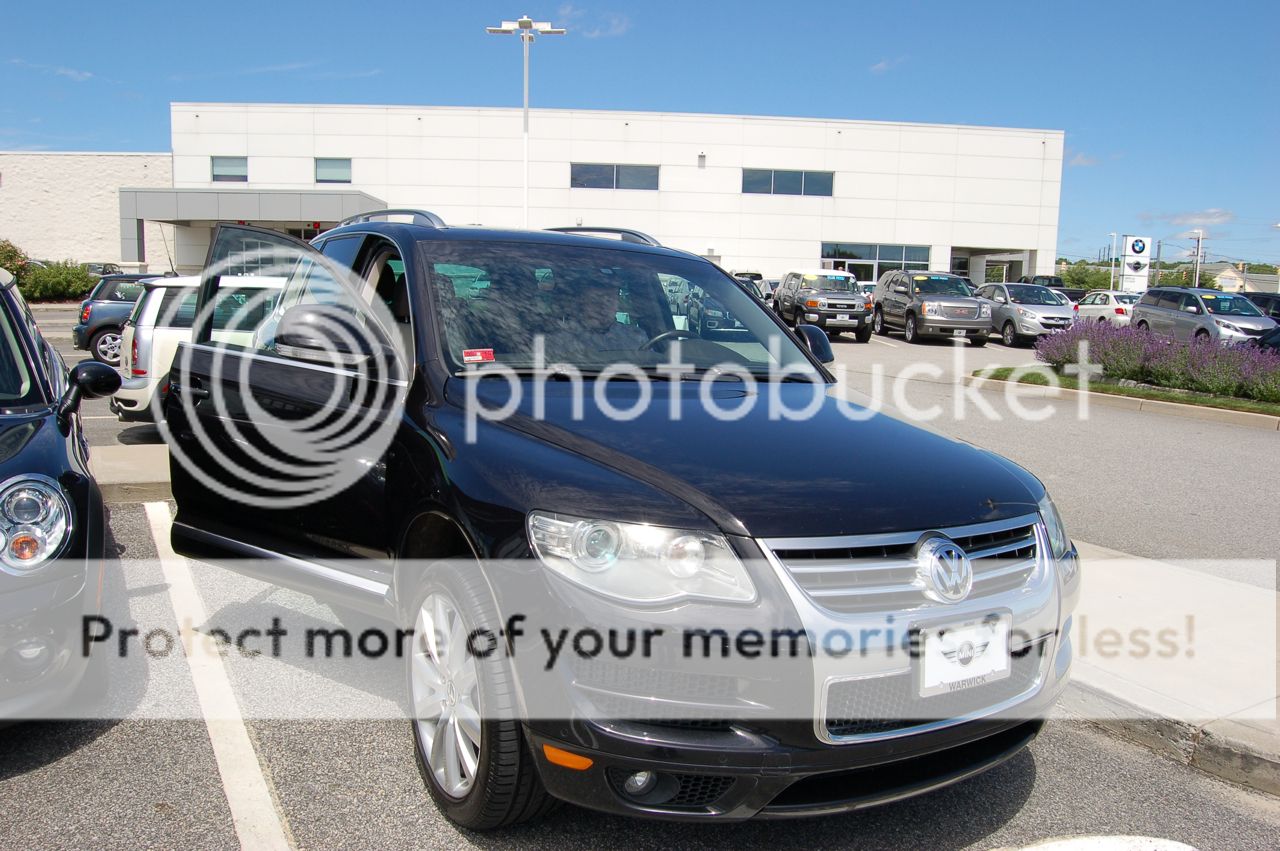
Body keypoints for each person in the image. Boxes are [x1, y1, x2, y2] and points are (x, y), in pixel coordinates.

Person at [544, 278, 648, 358]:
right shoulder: (558, 340)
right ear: (581, 302)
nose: (603, 307)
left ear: (618, 304)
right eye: (595, 300)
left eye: (610, 300)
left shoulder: (636, 337)